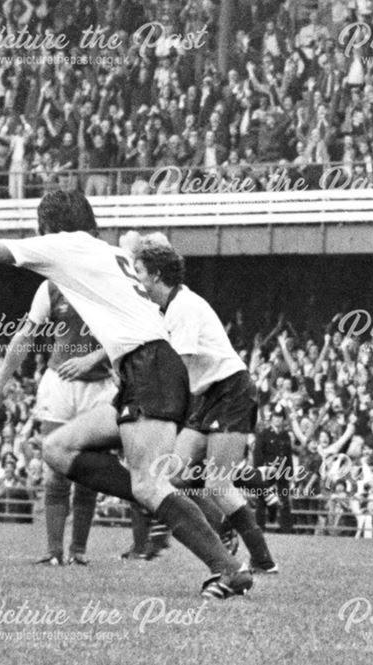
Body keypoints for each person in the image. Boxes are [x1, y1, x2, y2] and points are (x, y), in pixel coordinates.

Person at [0, 190, 251, 599]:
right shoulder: (108, 252)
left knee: (150, 485)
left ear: (48, 227)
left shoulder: (65, 246)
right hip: (144, 370)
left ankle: (226, 567)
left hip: (149, 367)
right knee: (58, 448)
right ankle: (167, 502)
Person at [133, 236, 278, 574]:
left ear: (155, 275)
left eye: (138, 272)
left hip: (231, 391)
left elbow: (177, 370)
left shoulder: (183, 307)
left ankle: (263, 559)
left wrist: (152, 411)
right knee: (171, 473)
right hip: (209, 395)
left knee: (217, 483)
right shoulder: (165, 307)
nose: (136, 280)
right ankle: (223, 529)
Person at [0, 280, 114, 566]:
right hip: (59, 384)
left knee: (91, 471)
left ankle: (78, 551)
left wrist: (94, 357)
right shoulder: (50, 287)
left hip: (100, 385)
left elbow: (131, 335)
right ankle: (54, 551)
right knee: (56, 470)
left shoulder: (109, 279)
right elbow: (25, 336)